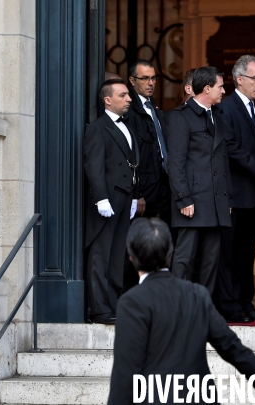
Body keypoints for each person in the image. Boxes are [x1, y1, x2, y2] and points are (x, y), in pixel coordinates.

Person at [108, 217, 255, 405]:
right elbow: (235, 350)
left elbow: (124, 375)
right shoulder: (197, 294)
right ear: (170, 252)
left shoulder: (131, 302)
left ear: (131, 256)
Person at [215, 55, 255, 323]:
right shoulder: (225, 108)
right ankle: (228, 305)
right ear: (239, 79)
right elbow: (229, 147)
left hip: (254, 198)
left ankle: (245, 302)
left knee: (247, 256)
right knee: (228, 254)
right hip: (232, 195)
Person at [166, 66, 232, 293]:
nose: (224, 91)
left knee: (210, 260)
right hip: (191, 200)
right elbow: (175, 162)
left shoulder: (217, 116)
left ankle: (202, 308)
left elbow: (222, 162)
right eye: (220, 86)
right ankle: (177, 306)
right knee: (185, 258)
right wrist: (183, 198)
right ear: (206, 89)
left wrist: (227, 199)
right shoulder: (180, 117)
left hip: (215, 201)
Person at [83, 78, 139, 324]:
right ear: (108, 100)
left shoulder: (128, 125)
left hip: (125, 196)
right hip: (107, 198)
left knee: (118, 255)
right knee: (101, 254)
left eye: (128, 95)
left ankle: (115, 305)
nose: (129, 99)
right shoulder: (97, 128)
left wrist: (135, 196)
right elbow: (93, 166)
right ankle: (99, 308)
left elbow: (134, 164)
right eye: (123, 95)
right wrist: (102, 199)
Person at [126, 60, 170, 222]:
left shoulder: (154, 109)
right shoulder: (129, 110)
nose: (150, 83)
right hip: (143, 191)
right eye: (144, 78)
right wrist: (138, 194)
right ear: (132, 81)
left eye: (153, 78)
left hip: (162, 186)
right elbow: (130, 154)